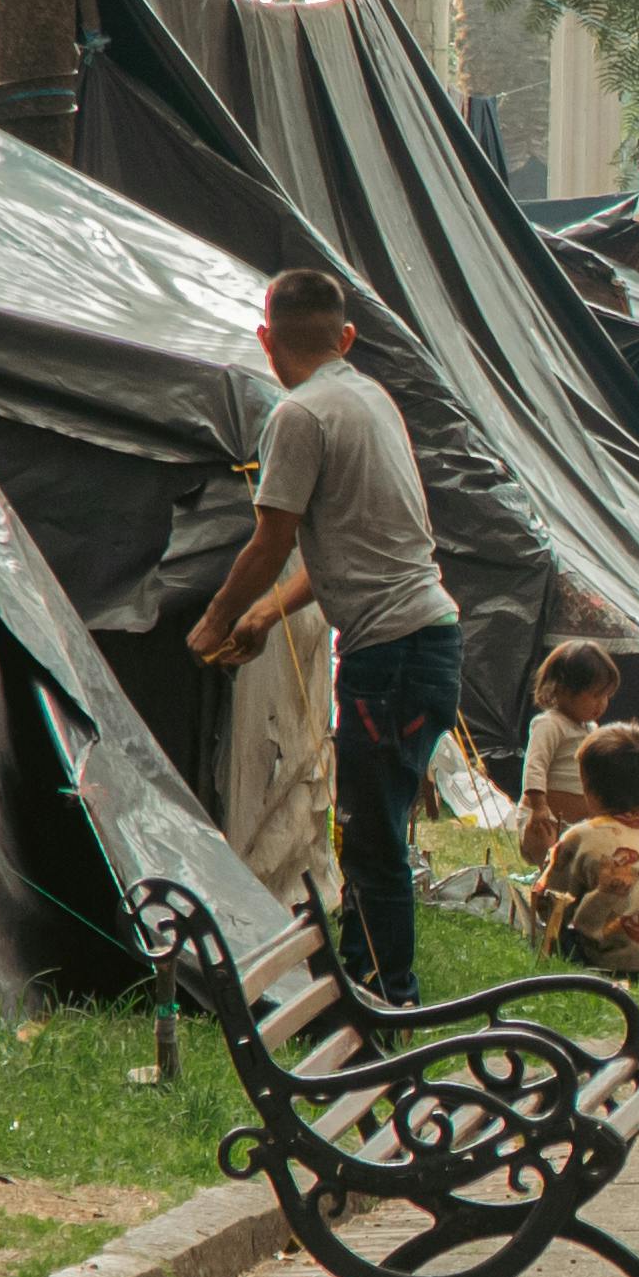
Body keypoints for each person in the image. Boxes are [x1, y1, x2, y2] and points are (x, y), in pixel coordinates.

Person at [193, 270, 465, 1001]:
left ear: (265, 340)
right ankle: (358, 984)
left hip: (391, 655)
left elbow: (271, 539)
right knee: (367, 828)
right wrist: (262, 616)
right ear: (346, 338)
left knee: (371, 840)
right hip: (432, 638)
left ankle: (389, 999)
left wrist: (214, 622)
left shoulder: (299, 416)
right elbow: (334, 548)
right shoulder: (371, 400)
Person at [523, 722, 639, 976]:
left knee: (554, 934)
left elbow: (550, 903)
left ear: (589, 790)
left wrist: (546, 853)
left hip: (625, 963)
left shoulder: (581, 835)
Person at [518, 640, 621, 845]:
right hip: (546, 820)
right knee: (550, 860)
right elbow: (535, 766)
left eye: (606, 696)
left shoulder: (591, 729)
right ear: (563, 689)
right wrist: (539, 807)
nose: (602, 704)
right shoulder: (550, 724)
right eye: (595, 695)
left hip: (578, 825)